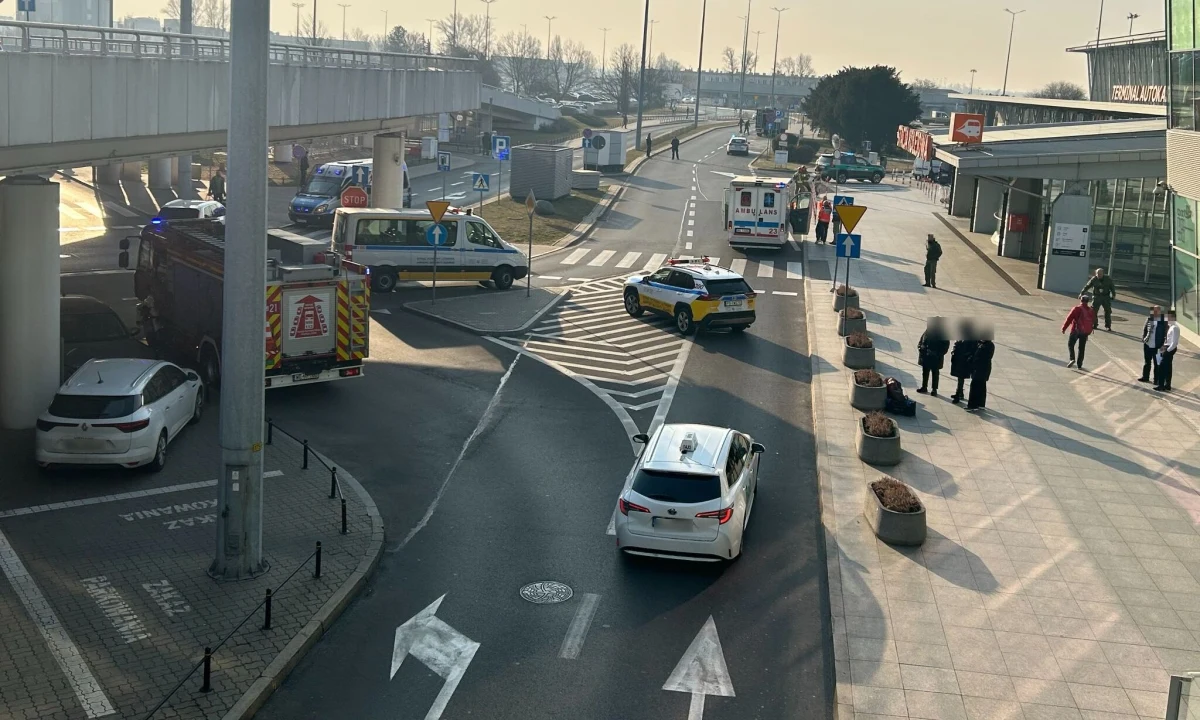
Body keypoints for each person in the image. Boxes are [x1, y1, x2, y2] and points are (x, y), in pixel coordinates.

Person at [917, 317, 951, 396]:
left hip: (935, 357)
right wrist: (920, 347)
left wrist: (937, 353)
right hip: (926, 356)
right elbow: (922, 340)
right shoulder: (928, 331)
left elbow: (945, 346)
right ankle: (924, 386)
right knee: (925, 372)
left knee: (935, 373)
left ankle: (934, 389)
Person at [1061, 293, 1096, 370]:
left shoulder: (1076, 309)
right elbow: (1093, 321)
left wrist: (1064, 328)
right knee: (1081, 348)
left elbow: (1069, 319)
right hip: (1085, 332)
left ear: (1081, 300)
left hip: (1075, 330)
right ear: (1088, 301)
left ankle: (1072, 358)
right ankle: (1079, 365)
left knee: (1071, 344)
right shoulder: (1091, 310)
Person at [966, 326, 995, 412]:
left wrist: (973, 361)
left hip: (981, 370)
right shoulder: (981, 344)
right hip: (981, 370)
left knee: (975, 386)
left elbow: (982, 357)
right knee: (981, 386)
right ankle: (980, 404)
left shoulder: (988, 346)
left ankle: (972, 405)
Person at [949, 321, 977, 404]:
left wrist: (967, 356)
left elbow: (973, 350)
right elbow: (957, 343)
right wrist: (954, 351)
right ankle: (960, 392)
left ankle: (958, 395)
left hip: (964, 362)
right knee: (959, 378)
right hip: (958, 360)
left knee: (961, 378)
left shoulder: (972, 339)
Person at [1139, 305, 1167, 383]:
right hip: (1148, 344)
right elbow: (1145, 329)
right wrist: (1143, 338)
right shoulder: (1149, 318)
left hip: (1157, 346)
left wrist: (1163, 344)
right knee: (1147, 362)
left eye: (1157, 311)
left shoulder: (1163, 321)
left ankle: (1156, 379)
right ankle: (1145, 377)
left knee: (1157, 363)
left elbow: (1165, 333)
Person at [1155, 310, 1181, 392]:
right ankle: (1167, 385)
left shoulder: (1175, 328)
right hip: (1167, 347)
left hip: (1169, 348)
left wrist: (1168, 350)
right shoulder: (1170, 327)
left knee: (1162, 367)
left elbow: (1174, 342)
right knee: (1168, 367)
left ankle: (1161, 385)